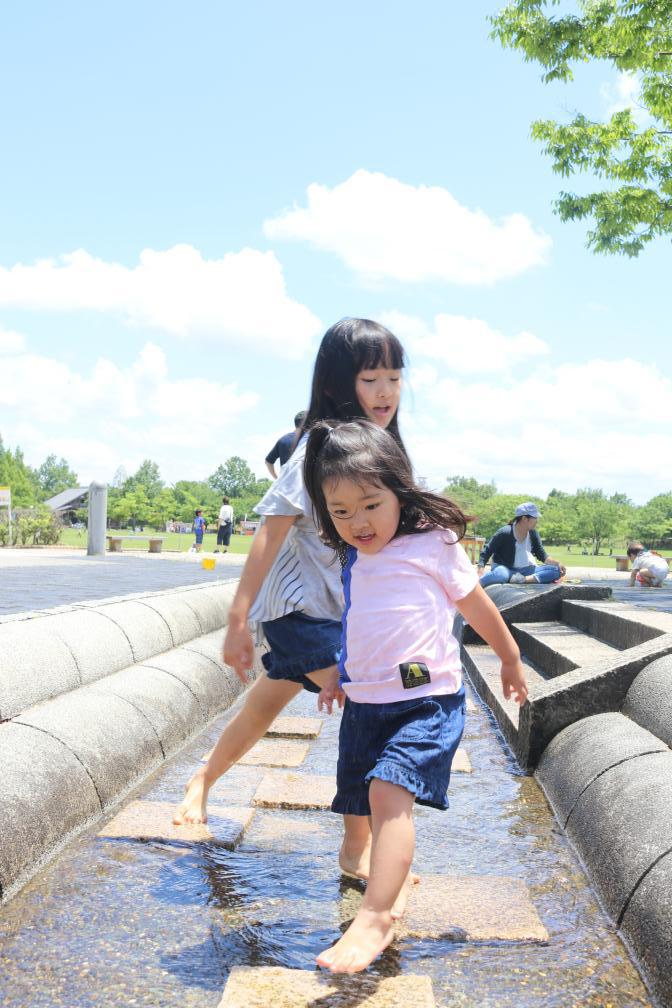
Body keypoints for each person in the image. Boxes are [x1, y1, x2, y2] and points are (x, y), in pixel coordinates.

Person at [173, 318, 408, 884]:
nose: (385, 393)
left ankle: (202, 781)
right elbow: (269, 535)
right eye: (371, 378)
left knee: (264, 706)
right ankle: (360, 846)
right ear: (335, 384)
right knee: (371, 706)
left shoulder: (383, 451)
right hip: (298, 614)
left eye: (395, 379)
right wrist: (237, 622)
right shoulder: (317, 453)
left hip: (342, 615)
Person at [302, 419, 527, 974]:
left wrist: (510, 655)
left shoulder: (433, 543)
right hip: (365, 702)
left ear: (398, 492)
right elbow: (359, 621)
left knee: (388, 790)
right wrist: (337, 675)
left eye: (371, 505)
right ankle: (387, 880)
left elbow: (475, 606)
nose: (358, 522)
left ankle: (375, 918)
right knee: (361, 801)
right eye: (341, 512)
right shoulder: (354, 557)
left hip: (427, 700)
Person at [478, 503, 566, 587]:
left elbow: (542, 555)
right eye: (535, 517)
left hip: (526, 571)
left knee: (556, 570)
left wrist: (557, 563)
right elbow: (487, 551)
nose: (537, 520)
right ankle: (478, 583)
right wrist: (480, 571)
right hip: (507, 570)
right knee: (501, 574)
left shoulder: (533, 534)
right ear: (524, 518)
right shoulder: (505, 532)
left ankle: (523, 580)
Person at [265, 411, 307, 479]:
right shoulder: (310, 441)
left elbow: (268, 462)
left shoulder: (283, 440)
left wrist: (277, 479)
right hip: (306, 486)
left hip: (286, 487)